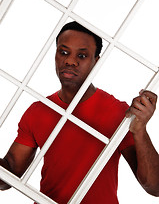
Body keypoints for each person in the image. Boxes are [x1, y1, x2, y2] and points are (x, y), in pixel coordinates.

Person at [0, 21, 159, 204]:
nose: (70, 61)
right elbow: (9, 172)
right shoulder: (37, 111)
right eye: (64, 52)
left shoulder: (117, 111)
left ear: (95, 61)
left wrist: (140, 130)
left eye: (82, 55)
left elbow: (154, 187)